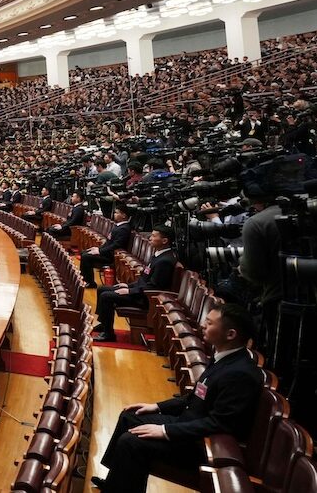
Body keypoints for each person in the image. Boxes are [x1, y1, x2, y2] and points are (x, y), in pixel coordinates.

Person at [93, 304, 264, 492]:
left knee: (131, 442)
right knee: (130, 416)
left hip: (202, 444)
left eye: (209, 323)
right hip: (190, 423)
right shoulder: (225, 356)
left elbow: (220, 423)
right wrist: (157, 407)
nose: (203, 326)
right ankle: (116, 481)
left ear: (230, 334)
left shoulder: (240, 374)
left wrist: (166, 431)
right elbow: (195, 397)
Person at [93, 225, 176, 343]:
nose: (150, 238)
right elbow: (144, 279)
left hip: (145, 298)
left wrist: (130, 291)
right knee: (102, 289)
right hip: (139, 291)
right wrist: (128, 286)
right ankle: (104, 323)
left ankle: (108, 334)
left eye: (153, 236)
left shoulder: (165, 261)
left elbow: (154, 287)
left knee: (106, 296)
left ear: (164, 241)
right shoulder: (159, 255)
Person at [81, 209, 132, 288]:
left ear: (124, 215)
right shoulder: (118, 226)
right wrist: (98, 248)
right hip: (106, 252)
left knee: (86, 257)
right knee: (84, 252)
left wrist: (100, 251)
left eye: (116, 213)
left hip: (111, 256)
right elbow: (108, 242)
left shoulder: (124, 229)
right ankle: (85, 279)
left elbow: (116, 245)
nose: (114, 214)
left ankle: (90, 282)